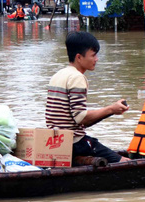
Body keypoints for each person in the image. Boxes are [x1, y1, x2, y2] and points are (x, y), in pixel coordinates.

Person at [45, 31, 130, 163]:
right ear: (79, 57)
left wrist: (111, 111)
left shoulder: (57, 75)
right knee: (124, 161)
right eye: (93, 55)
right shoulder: (77, 78)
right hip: (75, 143)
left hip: (56, 141)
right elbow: (81, 118)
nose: (96, 59)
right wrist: (111, 109)